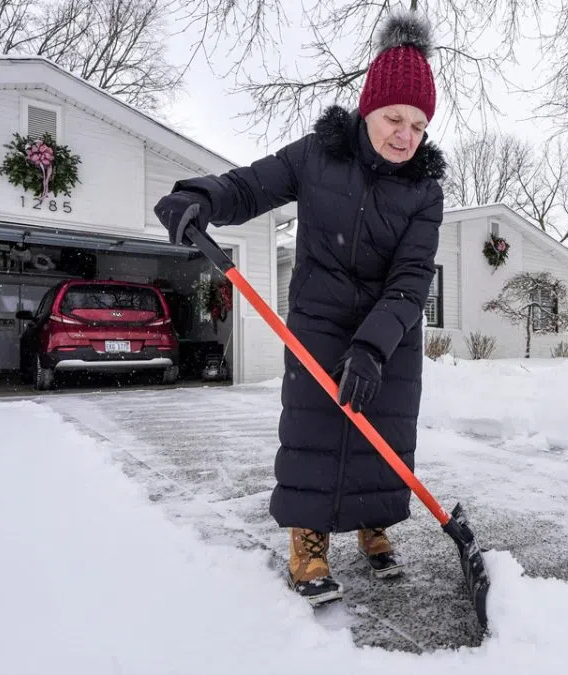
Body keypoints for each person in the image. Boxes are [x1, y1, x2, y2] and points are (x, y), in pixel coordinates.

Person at [152, 9, 445, 607]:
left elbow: (413, 278)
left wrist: (374, 345)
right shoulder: (318, 155)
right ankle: (308, 539)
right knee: (315, 428)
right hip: (319, 319)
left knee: (382, 428)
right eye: (394, 118)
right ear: (367, 109)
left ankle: (372, 521)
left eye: (418, 124)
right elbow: (250, 185)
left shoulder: (424, 191)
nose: (405, 135)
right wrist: (200, 196)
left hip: (388, 329)